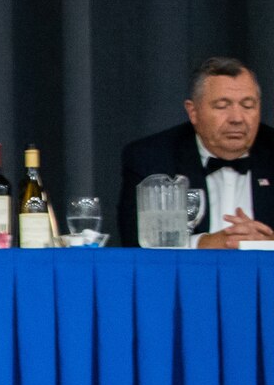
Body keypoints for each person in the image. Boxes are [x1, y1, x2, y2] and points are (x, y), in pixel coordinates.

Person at [117, 57, 274, 249]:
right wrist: (203, 243)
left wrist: (268, 245)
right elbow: (137, 243)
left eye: (248, 106)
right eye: (222, 106)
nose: (237, 118)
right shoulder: (153, 157)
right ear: (193, 112)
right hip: (185, 278)